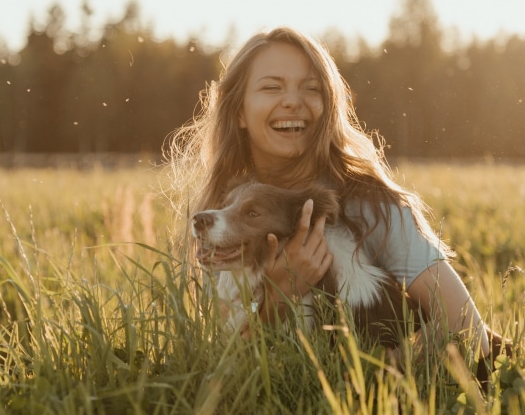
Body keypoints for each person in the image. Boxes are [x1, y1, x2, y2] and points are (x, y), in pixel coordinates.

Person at [166, 26, 508, 381]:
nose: (292, 102)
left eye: (311, 89)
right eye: (272, 87)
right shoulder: (218, 217)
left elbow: (470, 331)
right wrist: (279, 293)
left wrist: (378, 373)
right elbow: (226, 365)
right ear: (238, 111)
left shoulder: (373, 207)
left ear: (329, 107)